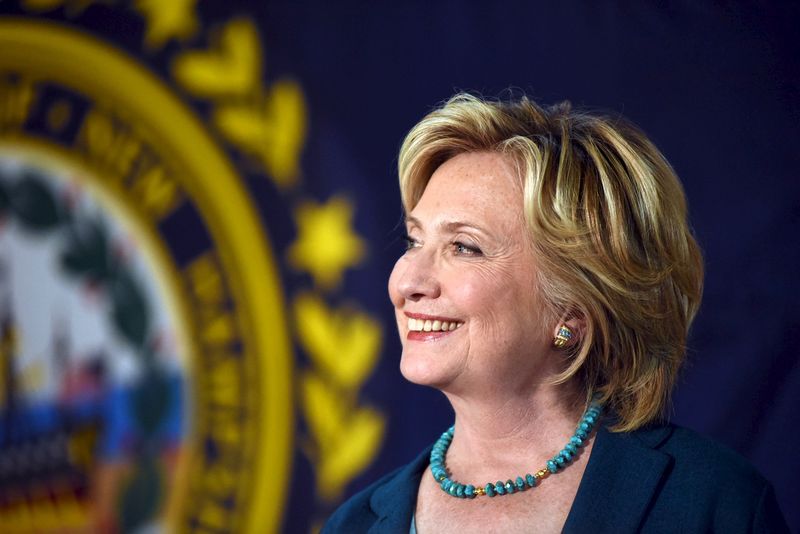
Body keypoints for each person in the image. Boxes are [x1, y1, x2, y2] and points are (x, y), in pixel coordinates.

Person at [323, 94, 789, 533]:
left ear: (572, 308)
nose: (407, 283)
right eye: (414, 241)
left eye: (463, 247)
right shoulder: (354, 524)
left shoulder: (712, 502)